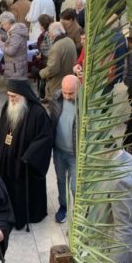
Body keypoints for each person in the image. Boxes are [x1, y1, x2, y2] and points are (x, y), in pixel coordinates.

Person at [0, 79, 53, 230]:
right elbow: (2, 129)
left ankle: (27, 215)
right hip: (8, 160)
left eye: (14, 96)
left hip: (25, 163)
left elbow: (45, 137)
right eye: (9, 95)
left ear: (24, 95)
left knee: (24, 189)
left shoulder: (38, 113)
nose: (11, 99)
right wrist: (0, 149)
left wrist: (29, 156)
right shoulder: (8, 106)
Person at [49, 75, 80, 223]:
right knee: (61, 180)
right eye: (65, 92)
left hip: (75, 153)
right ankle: (63, 206)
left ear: (78, 89)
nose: (67, 96)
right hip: (58, 150)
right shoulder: (56, 98)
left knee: (75, 186)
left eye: (71, 93)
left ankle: (78, 211)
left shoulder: (84, 103)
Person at [39, 22, 77, 101]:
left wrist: (41, 73)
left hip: (57, 85)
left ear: (53, 33)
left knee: (56, 106)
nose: (49, 36)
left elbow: (52, 69)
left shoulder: (57, 47)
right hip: (69, 80)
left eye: (50, 33)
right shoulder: (70, 41)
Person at [0, 11, 29, 79]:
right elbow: (12, 41)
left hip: (15, 69)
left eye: (2, 25)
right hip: (17, 67)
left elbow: (11, 51)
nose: (2, 27)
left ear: (7, 23)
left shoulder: (16, 34)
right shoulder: (16, 31)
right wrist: (3, 37)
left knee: (14, 85)